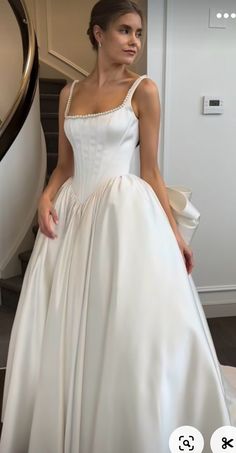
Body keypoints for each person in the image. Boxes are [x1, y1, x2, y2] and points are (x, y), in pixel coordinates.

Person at [1, 1, 236, 452]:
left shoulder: (143, 90)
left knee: (123, 323)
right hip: (70, 219)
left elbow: (151, 172)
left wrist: (173, 237)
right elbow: (63, 165)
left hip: (121, 217)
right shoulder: (68, 93)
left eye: (139, 34)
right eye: (125, 31)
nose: (134, 42)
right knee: (66, 323)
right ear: (97, 34)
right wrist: (45, 197)